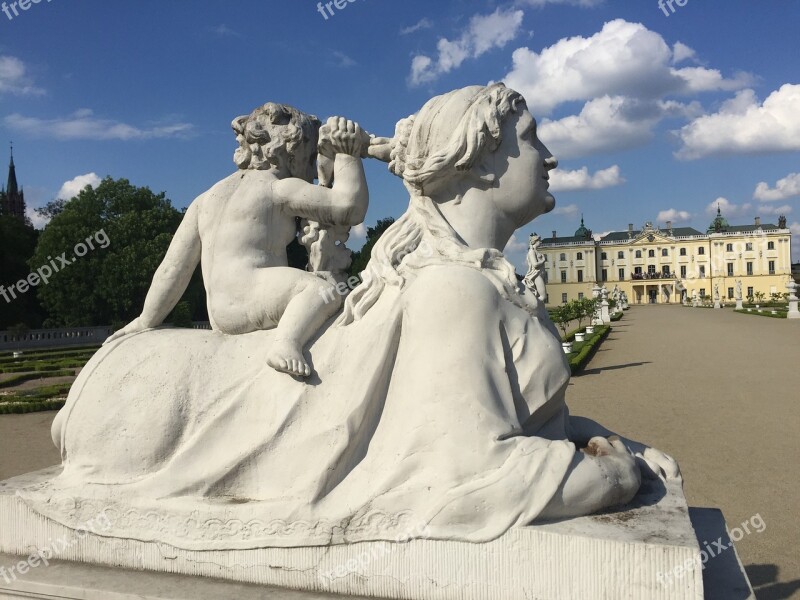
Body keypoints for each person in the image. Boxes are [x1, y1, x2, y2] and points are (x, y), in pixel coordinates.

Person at [106, 104, 370, 377]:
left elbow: (173, 269)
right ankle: (285, 343)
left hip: (220, 310)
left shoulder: (206, 198)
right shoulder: (278, 187)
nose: (314, 170)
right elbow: (348, 208)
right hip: (251, 298)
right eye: (310, 155)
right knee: (323, 291)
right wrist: (347, 153)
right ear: (291, 150)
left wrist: (146, 320)